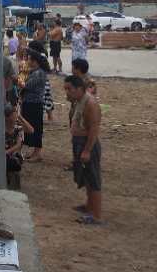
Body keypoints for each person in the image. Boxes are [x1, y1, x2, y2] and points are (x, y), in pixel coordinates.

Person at [65, 74, 103, 224]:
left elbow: (94, 129)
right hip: (80, 142)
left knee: (93, 179)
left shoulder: (90, 103)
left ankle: (96, 215)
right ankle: (89, 206)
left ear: (79, 88)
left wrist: (87, 150)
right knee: (86, 177)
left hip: (87, 144)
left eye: (69, 89)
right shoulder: (79, 101)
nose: (67, 92)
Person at [20, 44, 48, 162]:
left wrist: (18, 81)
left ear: (34, 61)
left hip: (34, 104)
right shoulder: (35, 71)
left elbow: (27, 86)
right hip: (30, 103)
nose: (28, 61)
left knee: (35, 128)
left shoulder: (39, 73)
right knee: (31, 126)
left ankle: (37, 153)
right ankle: (35, 152)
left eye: (29, 59)